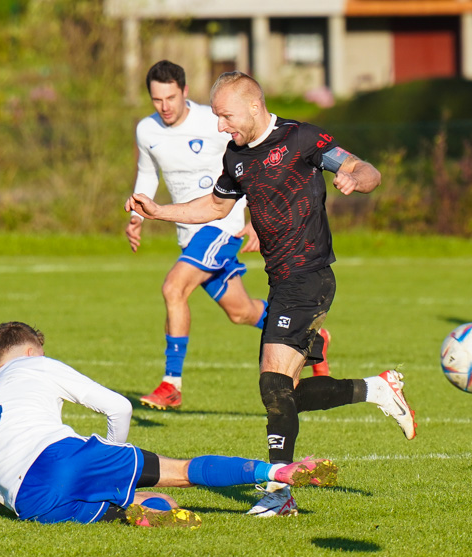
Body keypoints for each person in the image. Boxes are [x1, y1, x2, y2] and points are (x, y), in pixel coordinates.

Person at [125, 71, 417, 518]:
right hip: (281, 282)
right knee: (285, 395)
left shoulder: (302, 139)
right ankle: (375, 389)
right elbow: (218, 205)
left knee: (271, 382)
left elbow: (364, 168)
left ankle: (280, 494)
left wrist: (357, 178)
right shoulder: (237, 157)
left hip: (311, 277)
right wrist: (160, 210)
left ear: (254, 107)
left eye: (225, 116)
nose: (221, 125)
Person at [0, 322, 337, 527]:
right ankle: (276, 470)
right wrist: (118, 457)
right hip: (62, 457)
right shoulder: (37, 363)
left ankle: (147, 510)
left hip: (31, 502)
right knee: (182, 472)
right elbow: (118, 408)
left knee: (130, 507)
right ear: (31, 350)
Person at [126, 60, 332, 411]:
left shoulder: (215, 119)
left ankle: (170, 384)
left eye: (171, 97)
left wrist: (255, 219)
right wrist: (137, 214)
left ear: (185, 92)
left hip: (222, 225)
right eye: (157, 99)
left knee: (174, 288)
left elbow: (265, 148)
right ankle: (313, 338)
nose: (165, 106)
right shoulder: (146, 130)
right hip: (189, 233)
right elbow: (148, 174)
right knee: (241, 312)